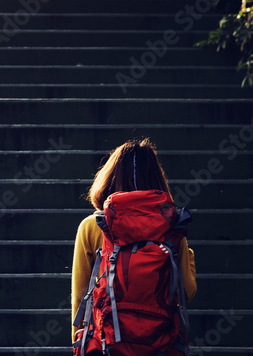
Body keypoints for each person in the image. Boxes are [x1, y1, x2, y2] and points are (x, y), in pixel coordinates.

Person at [71, 138, 197, 346]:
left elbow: (80, 300)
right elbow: (186, 292)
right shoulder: (171, 225)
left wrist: (80, 344)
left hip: (107, 343)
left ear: (109, 178)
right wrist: (188, 254)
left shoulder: (92, 225)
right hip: (159, 343)